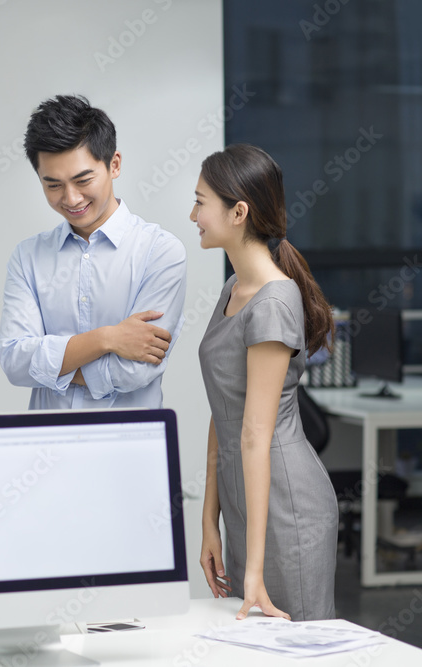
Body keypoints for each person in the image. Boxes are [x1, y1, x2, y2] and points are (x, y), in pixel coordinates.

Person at [193, 143, 339, 622]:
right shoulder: (231, 290)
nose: (192, 213)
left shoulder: (274, 301)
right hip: (246, 501)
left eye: (200, 202)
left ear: (238, 212)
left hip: (286, 506)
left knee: (295, 650)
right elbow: (223, 411)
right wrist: (210, 521)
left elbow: (256, 434)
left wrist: (252, 567)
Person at [0, 95, 187, 410]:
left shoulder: (160, 252)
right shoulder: (28, 256)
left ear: (114, 164)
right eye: (53, 185)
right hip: (47, 448)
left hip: (128, 447)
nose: (71, 198)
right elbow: (15, 361)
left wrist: (49, 366)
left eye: (83, 180)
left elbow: (135, 371)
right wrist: (108, 339)